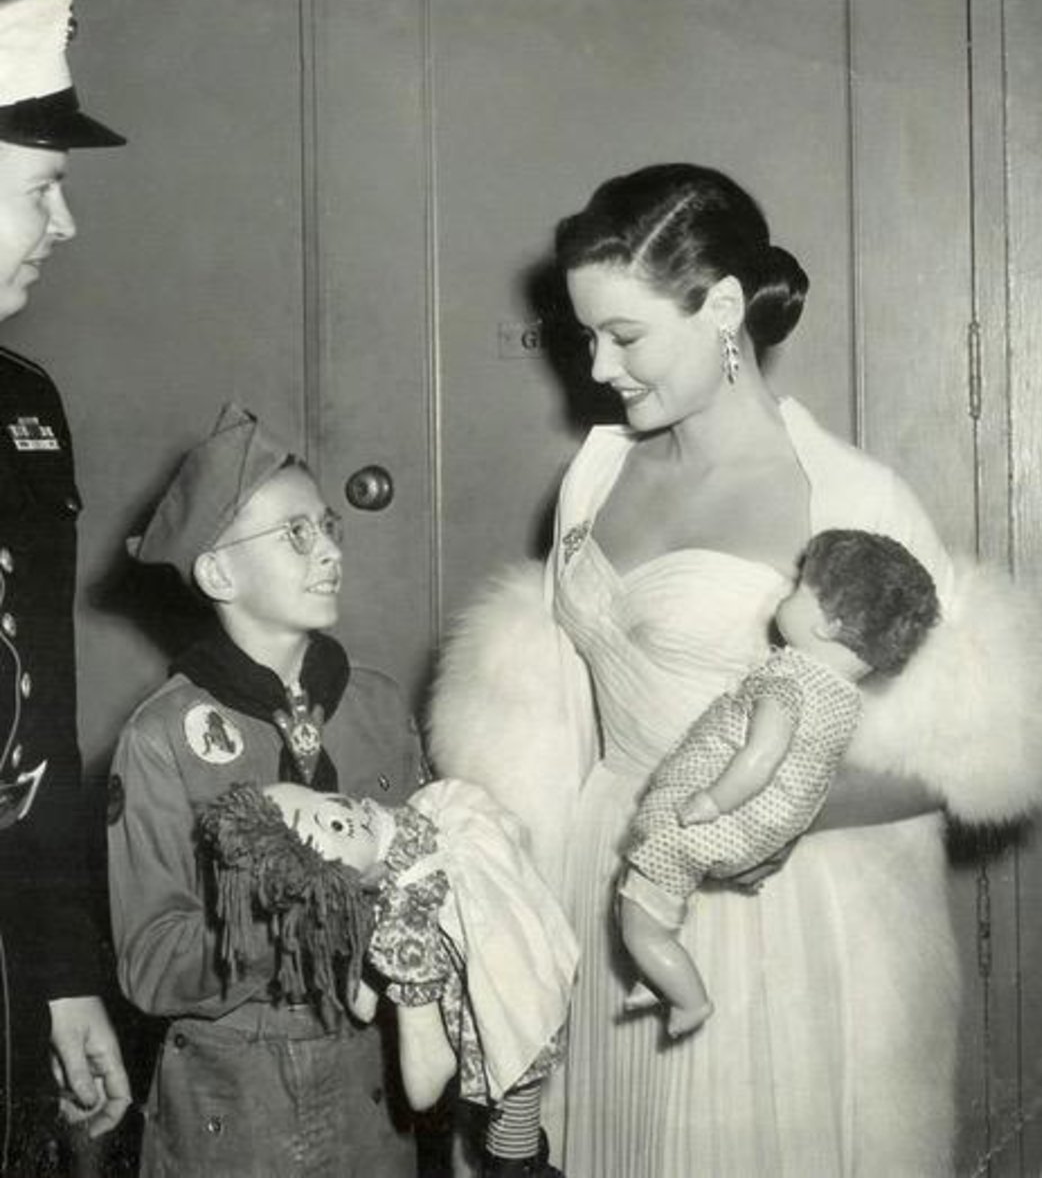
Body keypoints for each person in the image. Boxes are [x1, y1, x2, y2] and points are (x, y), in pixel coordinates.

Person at [427, 163, 1042, 1177]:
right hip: (602, 885)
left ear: (723, 308)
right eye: (587, 336)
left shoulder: (850, 496)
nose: (598, 368)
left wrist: (775, 812)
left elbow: (970, 758)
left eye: (625, 335)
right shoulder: (593, 471)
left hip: (769, 925)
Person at [107, 404, 421, 1177]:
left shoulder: (378, 704)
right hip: (231, 1093)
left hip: (371, 1079)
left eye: (327, 527)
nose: (328, 552)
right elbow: (149, 961)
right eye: (294, 534)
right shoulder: (162, 736)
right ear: (218, 572)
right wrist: (293, 914)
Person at [619, 529, 939, 1039]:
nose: (783, 595)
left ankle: (685, 996)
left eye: (798, 589)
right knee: (662, 903)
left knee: (638, 912)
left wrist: (710, 800)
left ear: (829, 625)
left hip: (723, 816)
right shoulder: (842, 698)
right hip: (764, 830)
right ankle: (658, 972)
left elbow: (761, 757)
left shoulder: (787, 684)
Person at [0, 0, 131, 1173]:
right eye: (41, 189)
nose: (66, 225)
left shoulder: (23, 407)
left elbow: (36, 730)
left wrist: (63, 979)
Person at [200, 774, 578, 1177]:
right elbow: (370, 1010)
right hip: (491, 995)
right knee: (494, 1126)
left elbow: (425, 1082)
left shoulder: (403, 917)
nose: (346, 809)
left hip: (506, 1003)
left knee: (510, 1137)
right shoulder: (396, 860)